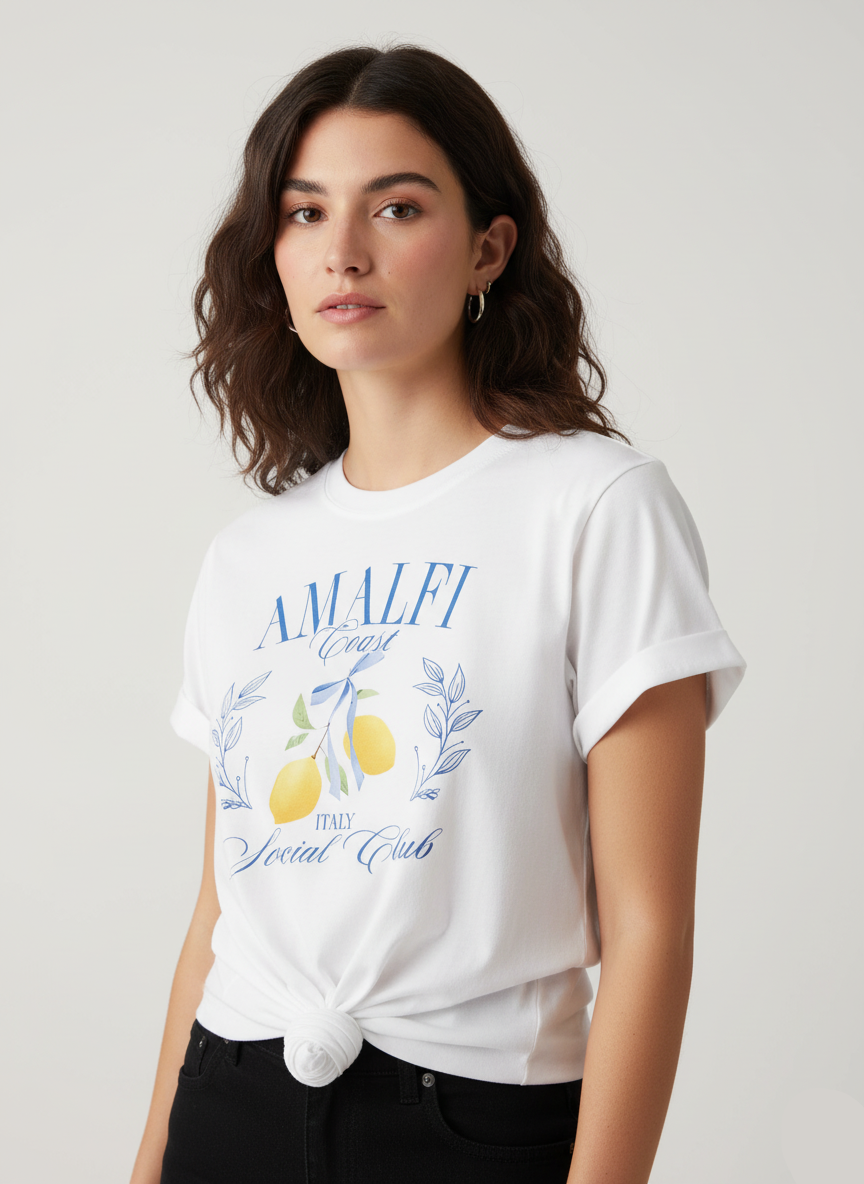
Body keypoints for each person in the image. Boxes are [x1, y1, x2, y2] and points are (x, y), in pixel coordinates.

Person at [130, 42, 747, 1184]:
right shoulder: (247, 557)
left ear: (488, 247)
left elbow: (652, 927)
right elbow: (223, 906)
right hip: (230, 1100)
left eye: (396, 206)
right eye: (304, 212)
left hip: (475, 1120)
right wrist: (149, 1158)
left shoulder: (594, 505)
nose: (343, 252)